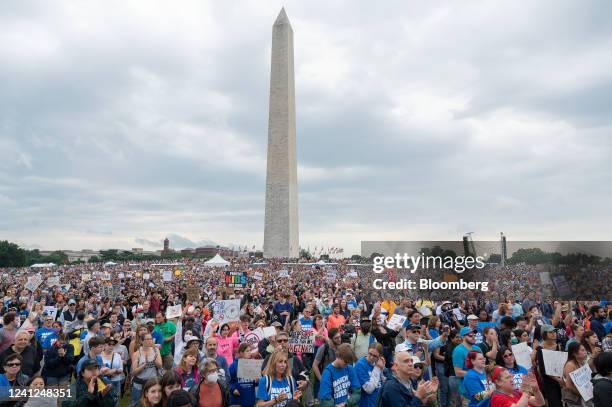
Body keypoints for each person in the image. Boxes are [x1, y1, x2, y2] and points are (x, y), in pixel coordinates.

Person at [534, 325, 563, 407]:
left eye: (554, 332)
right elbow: (543, 370)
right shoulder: (540, 348)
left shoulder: (558, 346)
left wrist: (561, 379)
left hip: (559, 379)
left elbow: (561, 363)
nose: (554, 334)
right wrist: (557, 379)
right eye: (550, 332)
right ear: (544, 334)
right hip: (549, 382)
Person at [452, 327, 483, 403]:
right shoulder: (458, 350)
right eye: (470, 335)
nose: (473, 337)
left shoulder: (477, 348)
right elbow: (458, 372)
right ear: (463, 337)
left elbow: (482, 366)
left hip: (481, 387)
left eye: (474, 335)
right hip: (467, 391)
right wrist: (475, 375)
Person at [131, 332, 163, 404]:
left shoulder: (156, 350)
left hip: (153, 382)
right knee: (137, 403)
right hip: (140, 383)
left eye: (151, 339)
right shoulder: (137, 354)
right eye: (147, 339)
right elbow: (134, 372)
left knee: (153, 403)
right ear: (142, 341)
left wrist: (155, 361)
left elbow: (160, 366)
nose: (150, 341)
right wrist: (143, 365)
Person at [354, 343, 385, 407]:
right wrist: (377, 368)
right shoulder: (360, 365)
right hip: (367, 403)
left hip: (378, 402)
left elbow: (384, 383)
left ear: (379, 356)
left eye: (375, 356)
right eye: (370, 354)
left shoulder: (379, 363)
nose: (371, 357)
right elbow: (369, 389)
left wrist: (382, 368)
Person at [562, 342, 593, 407]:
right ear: (574, 353)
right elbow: (569, 385)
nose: (585, 352)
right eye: (582, 350)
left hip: (584, 396)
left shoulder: (580, 362)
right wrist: (583, 394)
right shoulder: (570, 365)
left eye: (585, 350)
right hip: (575, 398)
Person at [100, 337, 123, 407]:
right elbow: (97, 371)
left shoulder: (117, 355)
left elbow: (121, 369)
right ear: (104, 345)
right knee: (104, 401)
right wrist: (109, 372)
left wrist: (116, 370)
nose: (111, 346)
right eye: (109, 344)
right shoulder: (99, 356)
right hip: (103, 382)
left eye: (113, 344)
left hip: (116, 381)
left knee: (115, 400)